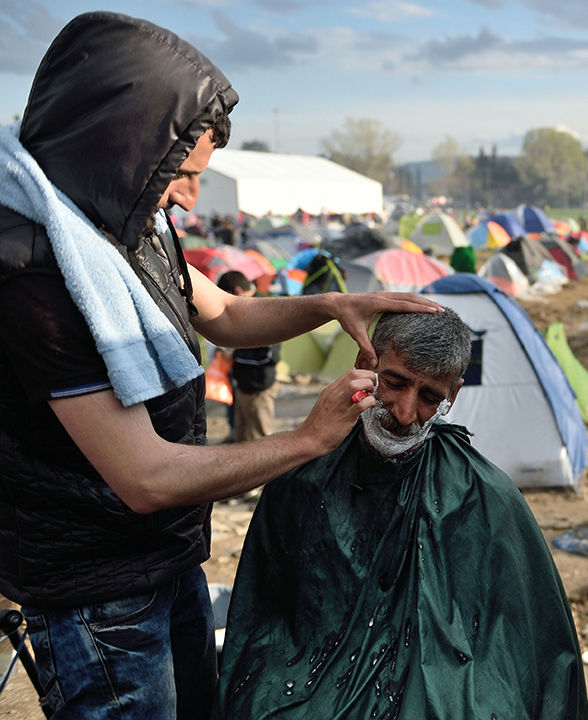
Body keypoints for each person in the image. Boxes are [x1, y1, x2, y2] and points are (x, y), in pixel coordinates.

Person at [0, 12, 439, 720]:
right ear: (117, 146)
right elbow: (144, 478)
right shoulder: (37, 276)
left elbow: (227, 316)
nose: (185, 198)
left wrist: (331, 302)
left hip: (165, 563)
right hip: (98, 597)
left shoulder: (130, 225)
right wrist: (305, 440)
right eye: (179, 174)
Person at [214, 309, 587, 719]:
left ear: (454, 394)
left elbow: (526, 649)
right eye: (394, 383)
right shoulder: (303, 477)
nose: (406, 413)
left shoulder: (484, 495)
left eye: (429, 397)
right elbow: (264, 626)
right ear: (365, 364)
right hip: (305, 680)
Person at [216, 271, 280, 443]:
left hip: (259, 387)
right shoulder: (246, 308)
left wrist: (235, 354)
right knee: (242, 437)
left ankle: (271, 470)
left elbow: (268, 355)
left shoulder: (265, 309)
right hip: (243, 385)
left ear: (237, 291)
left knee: (262, 437)